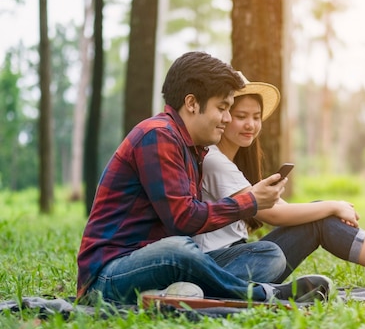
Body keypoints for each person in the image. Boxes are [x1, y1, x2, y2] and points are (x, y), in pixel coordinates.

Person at [76, 52, 332, 305]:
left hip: (163, 268)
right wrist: (250, 201)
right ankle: (266, 294)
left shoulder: (193, 148)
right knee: (177, 250)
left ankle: (181, 294)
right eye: (222, 108)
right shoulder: (157, 135)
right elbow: (183, 219)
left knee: (268, 255)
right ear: (191, 103)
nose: (228, 118)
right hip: (110, 275)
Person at [192, 73, 365, 290]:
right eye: (241, 116)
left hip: (242, 258)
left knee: (318, 219)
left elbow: (279, 207)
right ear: (224, 117)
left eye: (256, 116)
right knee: (319, 219)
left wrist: (328, 206)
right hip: (224, 267)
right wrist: (332, 205)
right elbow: (275, 214)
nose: (250, 124)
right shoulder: (215, 162)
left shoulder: (231, 163)